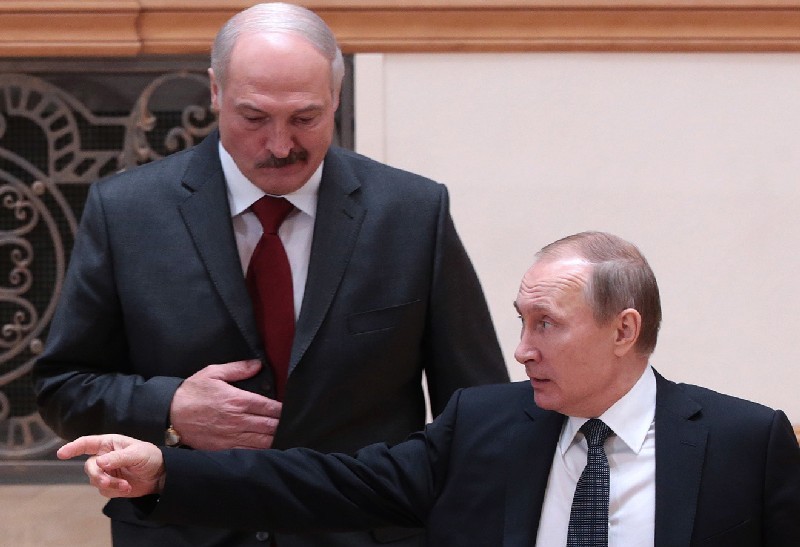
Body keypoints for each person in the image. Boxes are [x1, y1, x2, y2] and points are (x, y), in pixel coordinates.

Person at [33, 3, 508, 547]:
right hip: (185, 530)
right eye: (254, 118)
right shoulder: (125, 211)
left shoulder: (413, 212)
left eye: (305, 118)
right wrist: (170, 409)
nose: (281, 146)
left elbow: (478, 409)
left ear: (336, 96)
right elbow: (63, 387)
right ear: (216, 92)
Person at [59, 231, 800, 546]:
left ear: (623, 329)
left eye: (547, 324)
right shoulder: (483, 424)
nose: (522, 349)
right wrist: (166, 470)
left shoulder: (745, 441)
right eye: (521, 321)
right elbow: (329, 483)